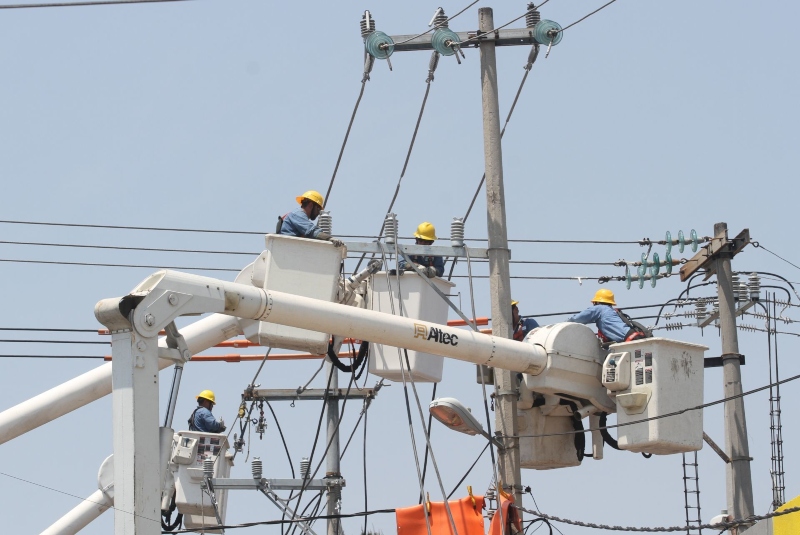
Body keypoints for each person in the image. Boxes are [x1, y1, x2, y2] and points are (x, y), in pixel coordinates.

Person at [566, 289, 646, 343]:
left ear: (596, 302)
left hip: (630, 339)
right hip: (633, 337)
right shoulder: (611, 311)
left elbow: (578, 319)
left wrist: (562, 325)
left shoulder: (599, 309)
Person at [277, 190, 343, 246]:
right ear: (311, 205)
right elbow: (312, 231)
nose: (318, 213)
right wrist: (330, 238)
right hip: (288, 248)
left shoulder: (298, 215)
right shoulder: (297, 214)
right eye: (318, 209)